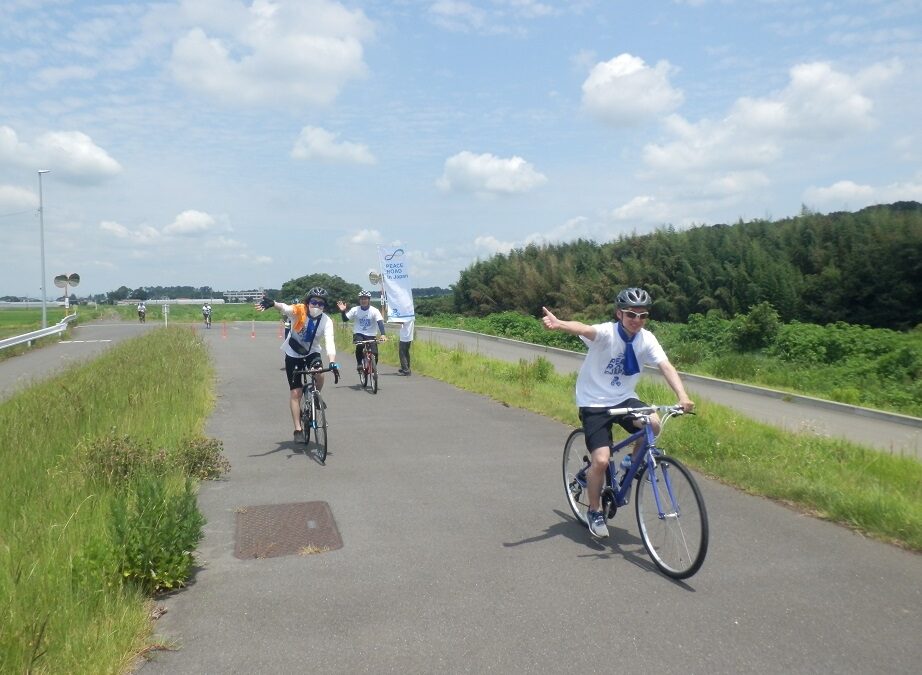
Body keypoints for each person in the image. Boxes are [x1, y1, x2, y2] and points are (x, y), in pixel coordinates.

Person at [541, 286, 694, 539]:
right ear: (619, 314)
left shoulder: (647, 338)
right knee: (600, 460)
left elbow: (665, 365)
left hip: (624, 398)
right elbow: (584, 328)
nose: (637, 320)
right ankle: (594, 510)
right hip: (594, 402)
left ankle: (628, 465)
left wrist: (683, 396)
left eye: (643, 315)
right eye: (631, 314)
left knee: (653, 424)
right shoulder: (606, 333)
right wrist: (559, 324)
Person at [255, 287, 338, 444]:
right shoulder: (299, 311)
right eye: (314, 302)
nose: (317, 306)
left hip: (312, 352)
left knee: (320, 373)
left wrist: (332, 361)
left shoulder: (326, 321)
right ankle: (298, 429)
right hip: (293, 354)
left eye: (321, 304)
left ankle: (316, 397)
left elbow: (330, 341)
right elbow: (286, 308)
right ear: (308, 302)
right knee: (296, 393)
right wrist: (273, 303)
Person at [336, 291, 387, 375]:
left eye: (365, 299)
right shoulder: (355, 310)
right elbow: (345, 319)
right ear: (359, 300)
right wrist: (343, 311)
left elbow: (380, 322)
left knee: (375, 353)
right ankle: (359, 363)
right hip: (359, 333)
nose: (363, 301)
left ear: (369, 300)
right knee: (360, 345)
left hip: (371, 335)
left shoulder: (374, 310)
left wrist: (383, 334)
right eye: (362, 299)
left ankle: (373, 367)